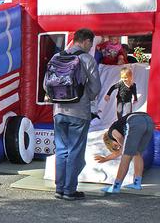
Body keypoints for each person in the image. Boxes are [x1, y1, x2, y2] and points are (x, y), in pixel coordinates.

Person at [47, 28, 101, 201]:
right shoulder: (87, 59)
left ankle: (59, 188)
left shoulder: (56, 58)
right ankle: (70, 190)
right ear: (86, 41)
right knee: (75, 151)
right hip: (79, 112)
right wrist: (85, 98)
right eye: (90, 43)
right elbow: (95, 87)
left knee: (61, 150)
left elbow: (45, 85)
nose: (90, 47)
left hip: (59, 112)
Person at [94, 112, 154, 193]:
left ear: (109, 141)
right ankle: (137, 183)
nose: (118, 146)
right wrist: (105, 158)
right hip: (149, 120)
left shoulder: (111, 132)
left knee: (126, 155)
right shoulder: (121, 129)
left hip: (135, 120)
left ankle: (116, 186)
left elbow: (120, 140)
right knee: (137, 153)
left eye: (115, 146)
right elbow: (121, 151)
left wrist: (124, 148)